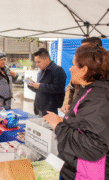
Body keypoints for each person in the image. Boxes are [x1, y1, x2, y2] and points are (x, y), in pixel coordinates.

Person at [44, 44, 109, 180]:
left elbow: (94, 146)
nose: (70, 68)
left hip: (86, 173)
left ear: (84, 70)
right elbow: (86, 124)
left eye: (74, 65)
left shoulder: (98, 98)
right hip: (76, 169)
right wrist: (66, 122)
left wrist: (59, 126)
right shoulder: (91, 90)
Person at [61, 37, 103, 114]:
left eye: (85, 49)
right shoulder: (78, 69)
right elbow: (71, 87)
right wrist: (68, 103)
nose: (71, 69)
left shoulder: (103, 74)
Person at [28, 48, 66, 116]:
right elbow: (39, 89)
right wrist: (32, 84)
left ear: (46, 59)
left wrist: (40, 86)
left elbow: (59, 89)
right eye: (36, 62)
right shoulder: (41, 72)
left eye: (38, 62)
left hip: (50, 110)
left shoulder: (57, 70)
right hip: (39, 108)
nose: (37, 64)